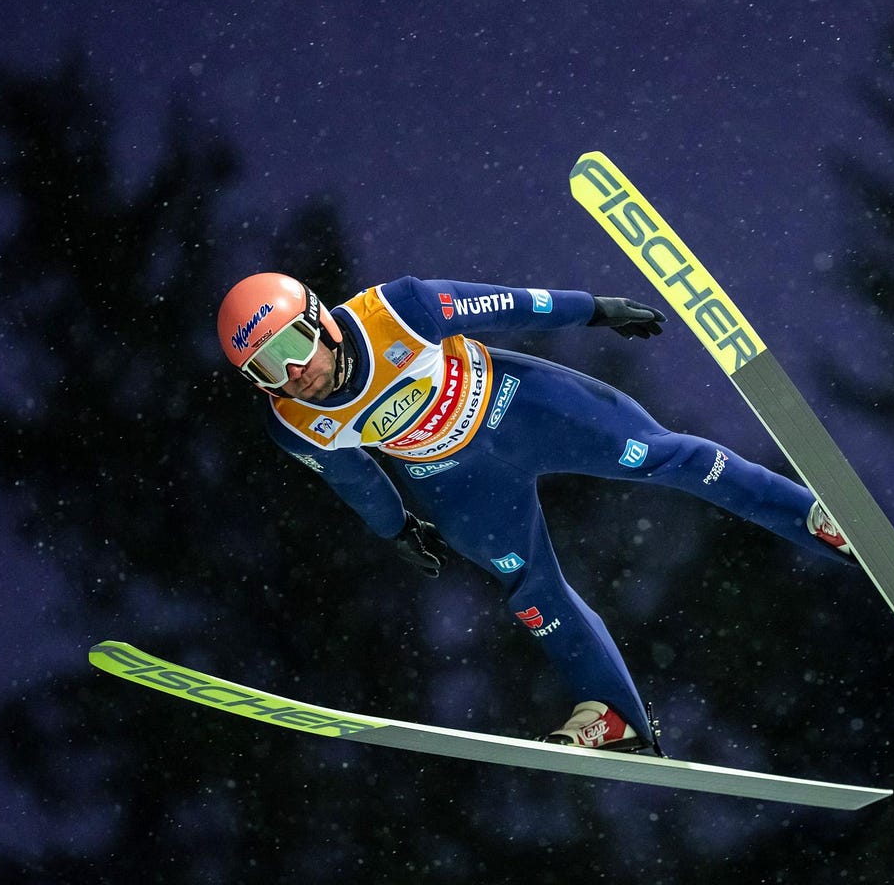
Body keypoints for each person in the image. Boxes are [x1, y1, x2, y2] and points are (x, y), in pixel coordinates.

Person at [217, 272, 850, 752]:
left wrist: (595, 311)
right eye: (267, 369)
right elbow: (355, 480)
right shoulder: (293, 423)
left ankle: (812, 519)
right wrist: (396, 529)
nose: (294, 373)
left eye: (295, 346)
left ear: (322, 321)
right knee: (529, 592)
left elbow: (514, 304)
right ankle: (614, 716)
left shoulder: (397, 310)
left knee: (662, 458)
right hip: (457, 480)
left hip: (523, 408)